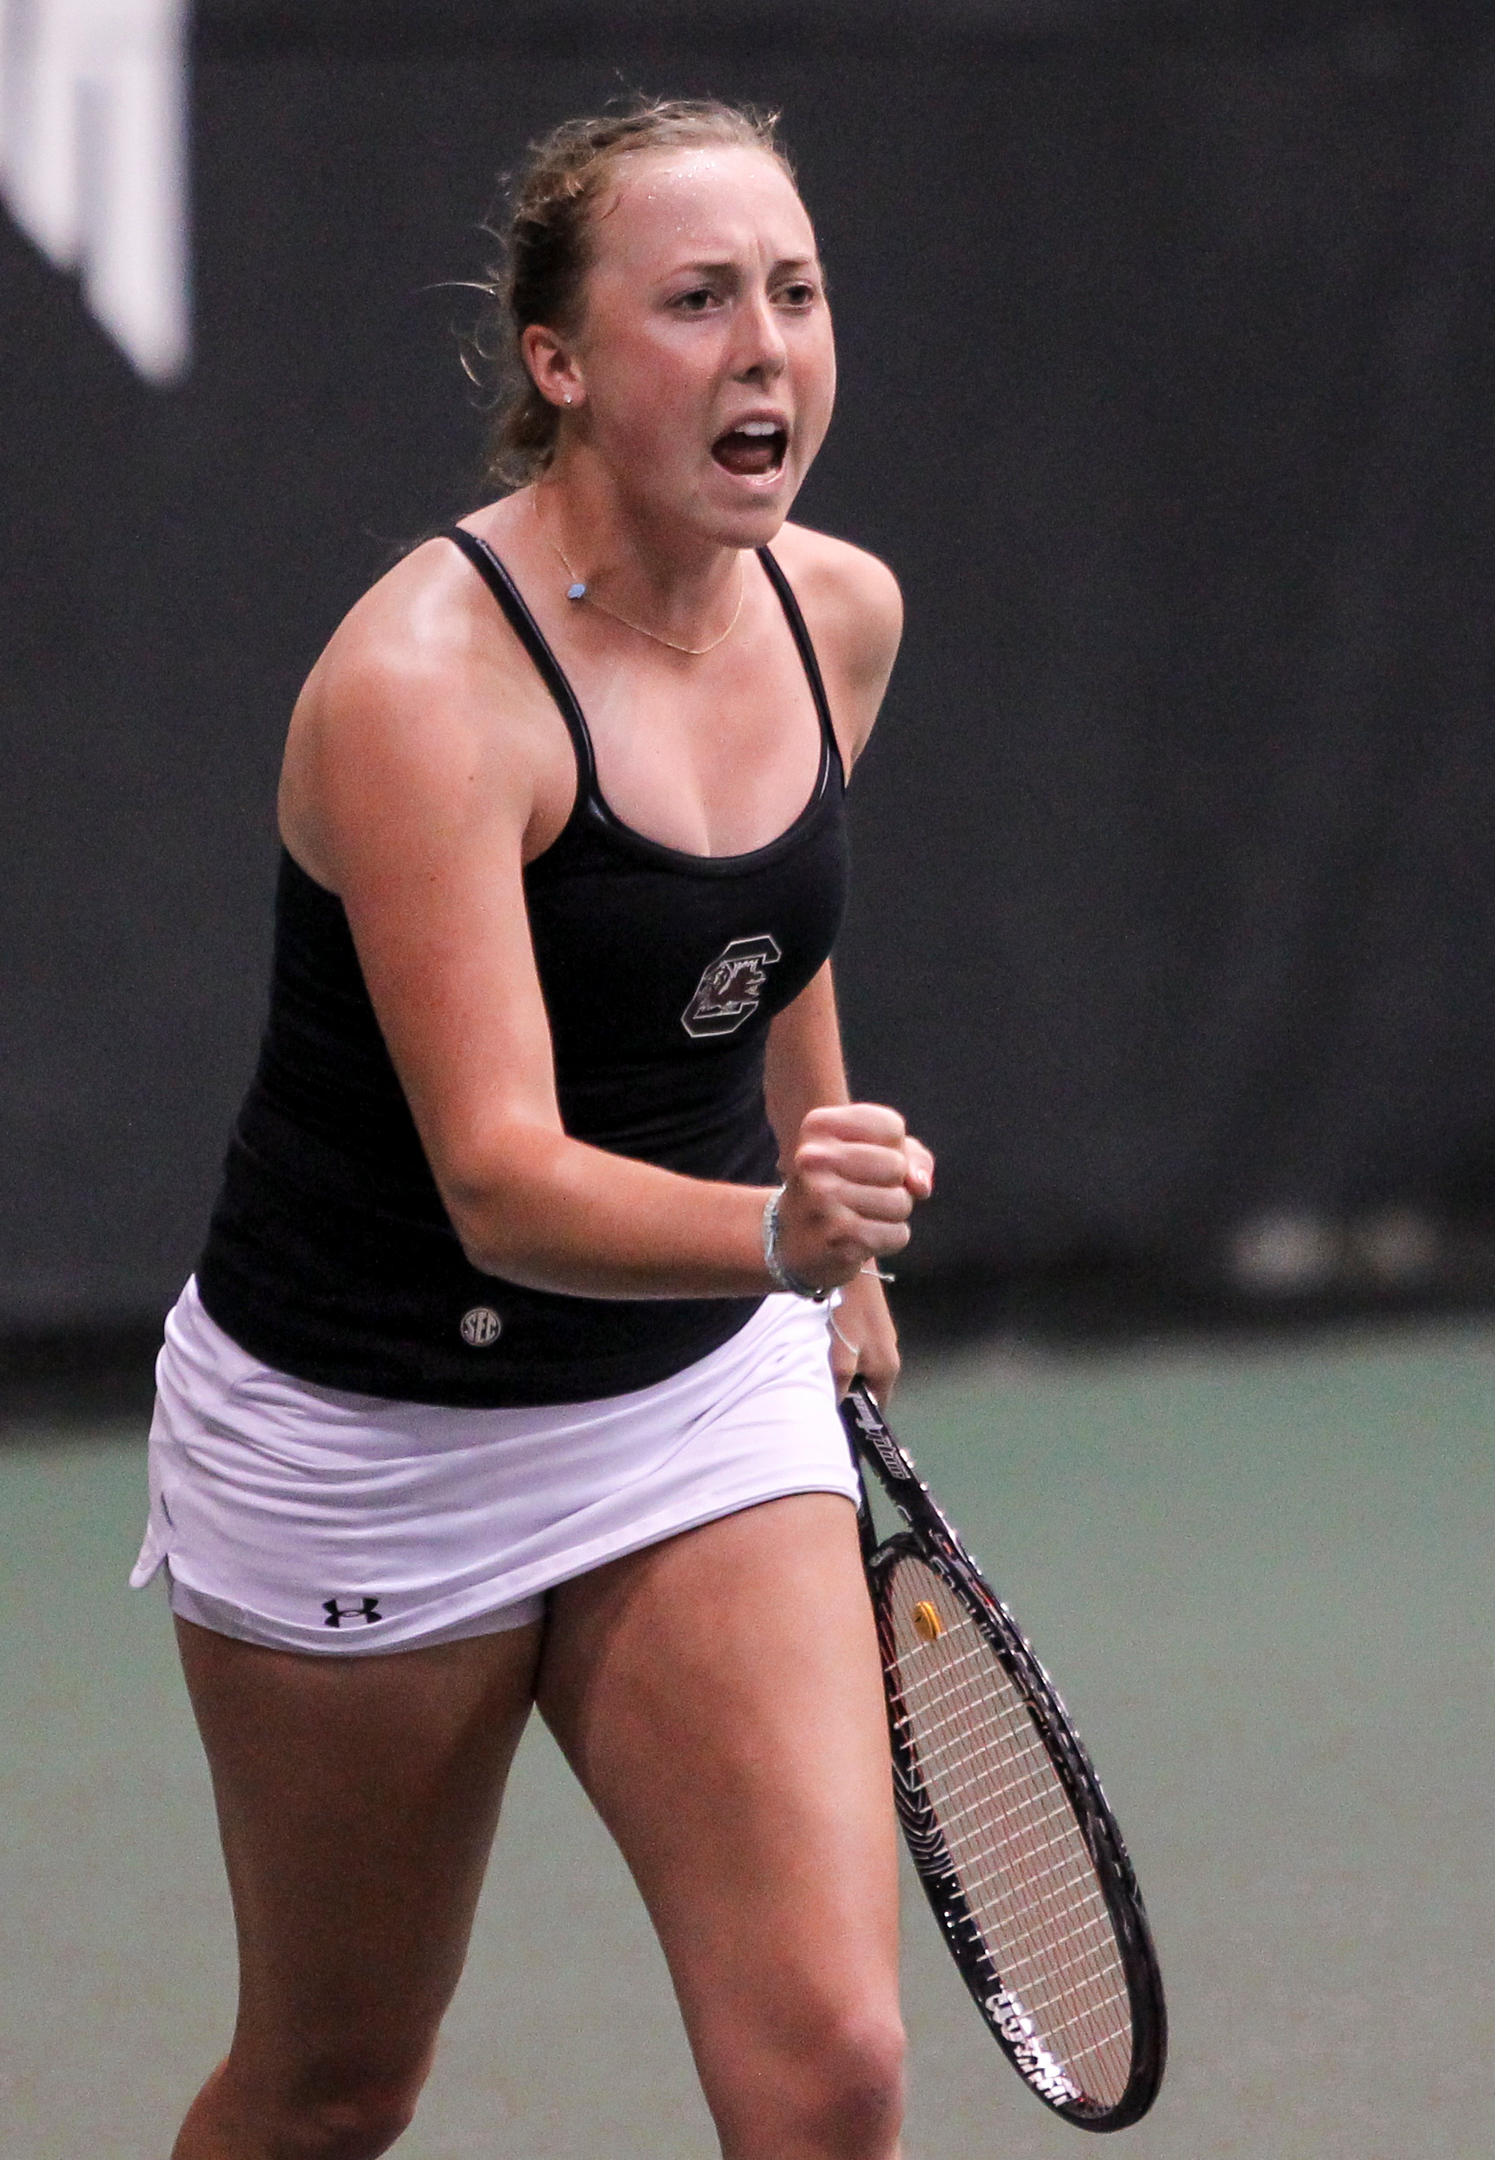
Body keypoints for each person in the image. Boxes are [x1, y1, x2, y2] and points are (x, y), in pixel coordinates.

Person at [132, 97, 933, 2160]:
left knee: (830, 2070)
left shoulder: (835, 611)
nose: (765, 348)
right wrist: (784, 1236)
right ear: (561, 366)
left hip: (685, 1393)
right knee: (329, 2090)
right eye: (697, 303)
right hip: (365, 1430)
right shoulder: (421, 687)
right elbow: (497, 1180)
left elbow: (767, 927)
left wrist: (812, 1156)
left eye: (796, 292)